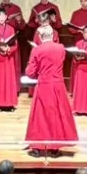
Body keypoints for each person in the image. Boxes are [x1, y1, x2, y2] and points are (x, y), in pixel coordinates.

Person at [23, 22, 76, 153]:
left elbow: (30, 72)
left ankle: (37, 147)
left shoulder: (37, 49)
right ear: (52, 35)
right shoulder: (61, 48)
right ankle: (55, 149)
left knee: (40, 117)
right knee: (57, 116)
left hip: (44, 85)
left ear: (40, 37)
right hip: (58, 85)